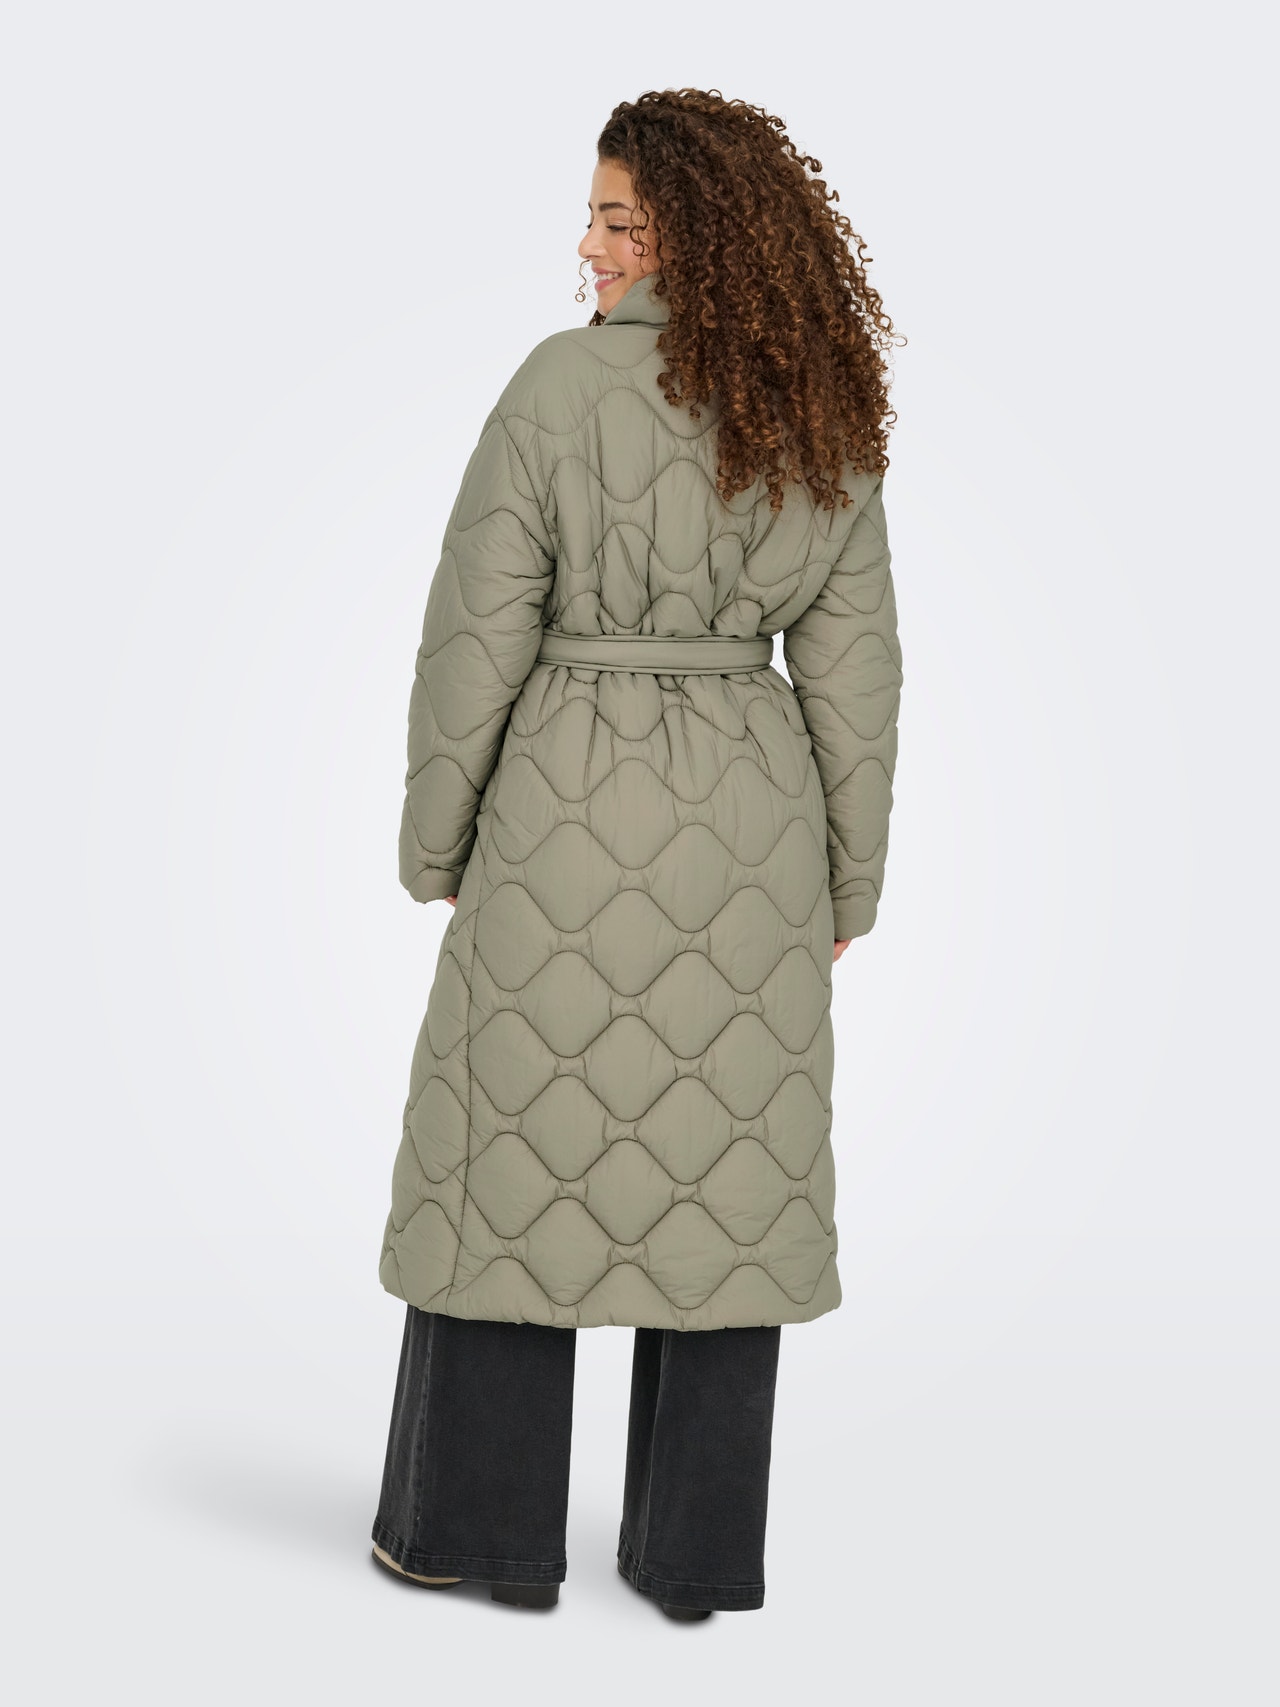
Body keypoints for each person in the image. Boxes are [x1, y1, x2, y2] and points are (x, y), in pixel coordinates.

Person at [370, 87, 904, 1620]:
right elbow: (856, 673)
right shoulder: (819, 406)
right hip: (755, 822)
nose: (590, 247)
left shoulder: (559, 388)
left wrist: (435, 839)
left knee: (512, 1155)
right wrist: (848, 880)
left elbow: (475, 634)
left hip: (564, 808)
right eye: (596, 217)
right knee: (731, 1172)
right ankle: (692, 1558)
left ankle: (474, 1533)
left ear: (695, 235)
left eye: (619, 219)